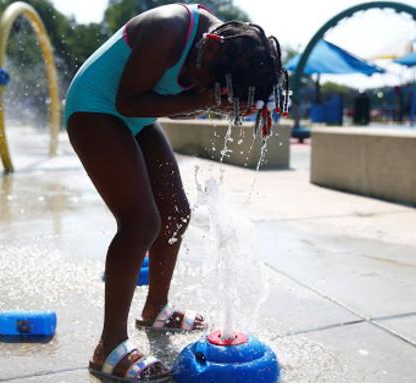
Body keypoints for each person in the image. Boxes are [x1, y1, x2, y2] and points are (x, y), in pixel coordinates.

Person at [64, 3, 288, 381]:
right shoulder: (168, 28)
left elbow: (168, 106)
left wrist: (230, 102)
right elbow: (126, 101)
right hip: (95, 109)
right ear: (211, 46)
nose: (204, 86)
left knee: (175, 213)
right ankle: (109, 346)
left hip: (137, 116)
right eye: (208, 80)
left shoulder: (229, 57)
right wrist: (203, 100)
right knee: (140, 223)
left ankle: (156, 308)